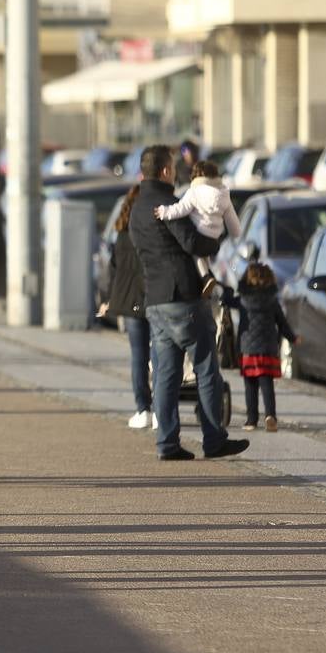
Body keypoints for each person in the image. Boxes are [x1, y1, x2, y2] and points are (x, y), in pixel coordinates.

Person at [129, 145, 249, 462]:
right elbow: (193, 242)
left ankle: (167, 443)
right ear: (167, 171)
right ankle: (214, 439)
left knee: (166, 374)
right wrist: (219, 238)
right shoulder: (168, 204)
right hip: (183, 298)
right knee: (207, 368)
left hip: (155, 301)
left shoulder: (137, 209)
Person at [100, 185, 159, 432]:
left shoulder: (122, 235)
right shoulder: (153, 232)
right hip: (155, 298)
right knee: (159, 355)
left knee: (138, 356)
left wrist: (110, 300)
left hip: (131, 302)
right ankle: (159, 410)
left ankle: (142, 409)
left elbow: (114, 270)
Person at [223, 263, 300, 433]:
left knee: (250, 386)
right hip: (267, 348)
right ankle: (270, 416)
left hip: (248, 350)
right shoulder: (272, 301)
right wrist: (293, 338)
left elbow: (227, 301)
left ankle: (251, 419)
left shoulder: (242, 300)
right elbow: (282, 323)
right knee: (267, 385)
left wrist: (225, 291)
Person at [154, 160, 241, 296]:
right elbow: (233, 223)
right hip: (214, 241)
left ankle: (206, 277)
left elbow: (180, 209)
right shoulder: (224, 194)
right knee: (204, 255)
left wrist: (164, 212)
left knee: (196, 253)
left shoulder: (194, 192)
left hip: (199, 237)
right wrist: (236, 234)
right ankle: (211, 283)